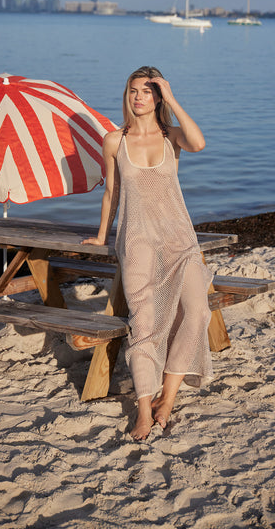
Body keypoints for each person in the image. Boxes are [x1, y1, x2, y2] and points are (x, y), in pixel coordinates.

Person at [82, 66, 213, 441]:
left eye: (147, 90)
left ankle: (167, 397)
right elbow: (112, 193)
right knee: (144, 325)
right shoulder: (113, 141)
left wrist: (171, 96)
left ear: (157, 97)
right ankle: (143, 410)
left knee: (198, 311)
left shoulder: (172, 136)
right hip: (136, 239)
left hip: (179, 239)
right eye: (134, 90)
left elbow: (199, 143)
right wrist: (101, 235)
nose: (139, 96)